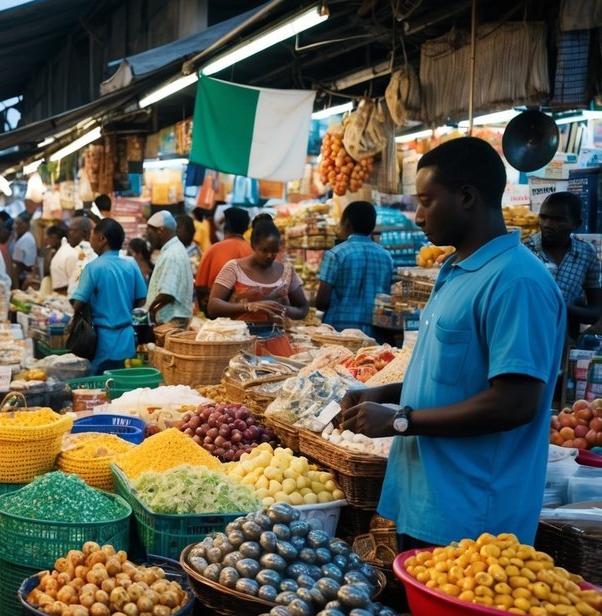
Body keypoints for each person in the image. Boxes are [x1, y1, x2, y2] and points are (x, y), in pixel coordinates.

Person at [339, 136, 565, 549]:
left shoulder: (517, 282)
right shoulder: (457, 270)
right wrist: (383, 392)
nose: (419, 217)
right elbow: (452, 378)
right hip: (429, 500)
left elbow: (514, 402)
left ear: (465, 197)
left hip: (476, 517)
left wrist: (399, 420)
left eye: (427, 201)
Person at [71, 218, 147, 373]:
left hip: (102, 341)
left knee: (101, 386)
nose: (90, 240)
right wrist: (123, 304)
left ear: (102, 239)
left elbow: (78, 304)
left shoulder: (93, 268)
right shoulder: (131, 264)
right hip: (126, 339)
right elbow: (141, 299)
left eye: (92, 236)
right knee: (122, 386)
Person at [207, 218, 309, 332]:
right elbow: (213, 306)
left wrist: (283, 309)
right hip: (240, 338)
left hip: (276, 338)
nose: (270, 255)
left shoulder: (287, 271)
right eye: (264, 250)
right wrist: (248, 306)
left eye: (274, 250)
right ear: (253, 246)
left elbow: (303, 308)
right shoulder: (234, 268)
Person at [525, 191, 602, 336]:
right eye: (544, 217)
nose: (548, 224)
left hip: (565, 342)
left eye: (558, 220)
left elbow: (595, 312)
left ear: (576, 224)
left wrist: (563, 306)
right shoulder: (525, 252)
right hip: (528, 340)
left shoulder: (586, 254)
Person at [315, 201, 395, 336]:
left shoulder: (335, 254)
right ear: (372, 226)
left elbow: (322, 302)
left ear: (347, 224)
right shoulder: (387, 257)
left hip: (339, 331)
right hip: (375, 331)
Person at [194, 206, 252, 311]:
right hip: (248, 311)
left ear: (226, 226)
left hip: (219, 314)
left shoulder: (213, 250)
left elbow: (200, 287)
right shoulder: (253, 250)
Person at [145, 211, 194, 329]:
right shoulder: (174, 250)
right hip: (173, 323)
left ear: (160, 231)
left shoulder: (172, 255)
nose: (147, 237)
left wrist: (149, 310)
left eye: (149, 232)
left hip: (171, 323)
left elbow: (167, 293)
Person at [51, 216, 96, 295]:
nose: (68, 234)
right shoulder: (76, 253)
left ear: (85, 233)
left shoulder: (86, 254)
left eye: (72, 230)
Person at [11, 212, 37, 288]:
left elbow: (18, 261)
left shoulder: (26, 239)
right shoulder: (22, 237)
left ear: (27, 225)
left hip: (24, 277)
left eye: (19, 224)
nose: (15, 226)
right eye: (15, 223)